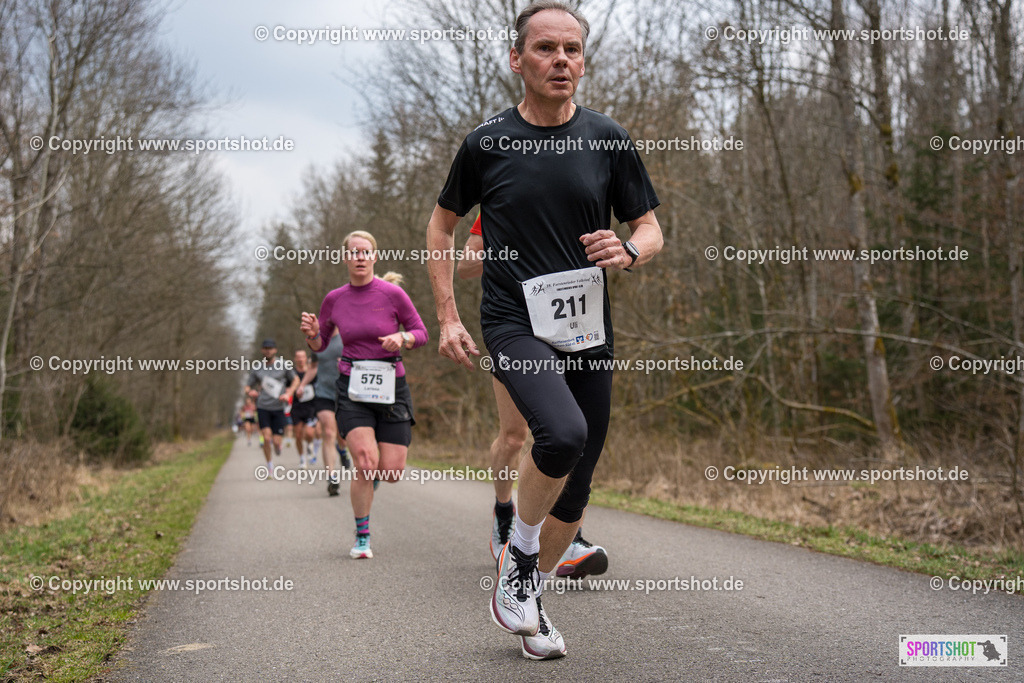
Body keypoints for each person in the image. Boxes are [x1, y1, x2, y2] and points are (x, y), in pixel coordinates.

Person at [426, 1, 663, 660]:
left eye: (573, 50)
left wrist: (631, 249)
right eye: (546, 49)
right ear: (517, 60)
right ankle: (518, 561)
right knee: (560, 433)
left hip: (588, 326)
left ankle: (527, 602)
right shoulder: (487, 143)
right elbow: (442, 227)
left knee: (576, 484)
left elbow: (650, 226)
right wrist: (447, 314)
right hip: (513, 320)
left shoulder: (607, 139)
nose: (562, 60)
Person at [458, 214, 609, 580]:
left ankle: (565, 538)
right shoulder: (504, 200)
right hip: (517, 332)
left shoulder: (581, 196)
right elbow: (464, 266)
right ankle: (504, 511)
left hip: (574, 333)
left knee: (569, 437)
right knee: (514, 437)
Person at [301, 230, 429, 559]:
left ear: (374, 257)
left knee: (390, 471)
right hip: (352, 388)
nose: (359, 257)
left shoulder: (392, 295)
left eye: (365, 251)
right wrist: (314, 336)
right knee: (364, 461)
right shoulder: (335, 299)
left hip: (392, 387)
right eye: (353, 252)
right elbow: (322, 344)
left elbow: (422, 332)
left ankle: (370, 481)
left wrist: (403, 339)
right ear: (345, 258)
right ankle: (362, 535)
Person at [296, 328, 353, 497]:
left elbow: (361, 360)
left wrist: (346, 364)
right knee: (328, 431)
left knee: (343, 436)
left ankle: (342, 450)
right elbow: (313, 367)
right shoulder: (317, 341)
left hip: (346, 392)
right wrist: (302, 384)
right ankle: (332, 477)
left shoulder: (348, 336)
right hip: (323, 393)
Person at [245, 339, 300, 469]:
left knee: (275, 440)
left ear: (275, 350)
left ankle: (277, 446)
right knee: (266, 437)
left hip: (278, 407)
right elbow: (247, 386)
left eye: (270, 348)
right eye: (265, 348)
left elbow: (296, 380)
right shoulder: (257, 368)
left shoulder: (284, 365)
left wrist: (289, 393)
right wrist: (250, 392)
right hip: (263, 407)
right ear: (262, 350)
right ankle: (269, 465)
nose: (268, 350)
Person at [290, 349, 318, 468]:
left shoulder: (312, 371)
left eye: (302, 357)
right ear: (295, 359)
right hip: (296, 407)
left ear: (306, 358)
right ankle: (302, 458)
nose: (301, 359)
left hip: (311, 407)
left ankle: (310, 445)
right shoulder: (291, 374)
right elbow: (287, 388)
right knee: (298, 435)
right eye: (298, 357)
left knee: (309, 433)